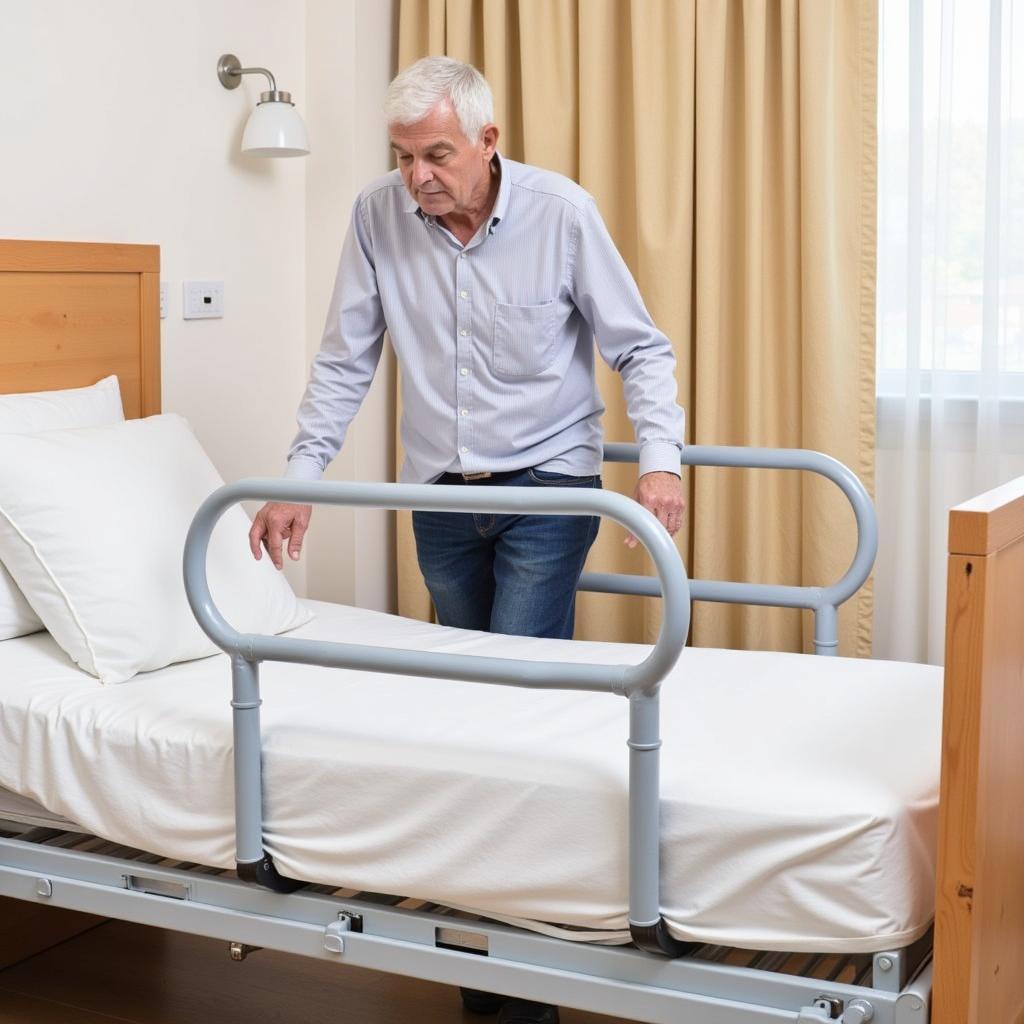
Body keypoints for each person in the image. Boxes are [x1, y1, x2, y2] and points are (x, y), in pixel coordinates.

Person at [249, 56, 685, 1024]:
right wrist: (299, 478)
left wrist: (660, 459)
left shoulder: (561, 212)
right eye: (403, 156)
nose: (418, 176)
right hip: (437, 490)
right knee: (462, 704)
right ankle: (491, 953)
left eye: (436, 153)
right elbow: (344, 356)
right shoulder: (377, 217)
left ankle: (519, 986)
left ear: (489, 140)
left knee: (514, 699)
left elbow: (637, 345)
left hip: (551, 485)